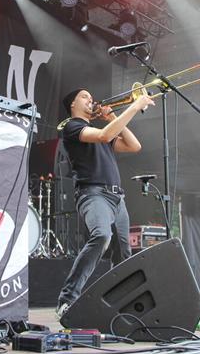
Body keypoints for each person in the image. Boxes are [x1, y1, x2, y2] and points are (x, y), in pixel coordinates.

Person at [55, 88, 154, 320]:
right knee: (101, 236)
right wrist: (134, 106)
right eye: (84, 96)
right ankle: (67, 299)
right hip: (93, 193)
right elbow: (103, 136)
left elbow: (134, 146)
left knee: (123, 252)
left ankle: (121, 304)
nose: (91, 99)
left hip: (117, 199)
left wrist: (111, 117)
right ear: (72, 105)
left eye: (91, 96)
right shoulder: (72, 127)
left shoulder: (103, 132)